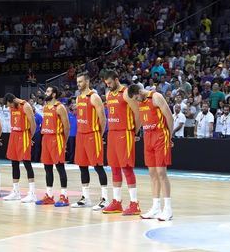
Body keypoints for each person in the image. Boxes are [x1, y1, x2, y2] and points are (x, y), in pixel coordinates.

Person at [127, 85, 173, 221]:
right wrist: (135, 132)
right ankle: (156, 207)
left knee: (161, 173)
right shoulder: (140, 102)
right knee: (152, 173)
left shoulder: (156, 97)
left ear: (140, 92)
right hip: (148, 137)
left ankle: (168, 208)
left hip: (160, 135)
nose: (137, 101)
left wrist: (169, 137)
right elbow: (141, 119)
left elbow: (169, 117)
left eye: (136, 98)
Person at [101, 70, 141, 216]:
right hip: (112, 133)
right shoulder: (108, 94)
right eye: (106, 84)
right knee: (115, 168)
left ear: (117, 79)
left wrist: (133, 132)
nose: (109, 86)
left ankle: (134, 203)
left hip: (125, 133)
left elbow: (138, 113)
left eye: (110, 83)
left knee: (127, 168)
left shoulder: (126, 93)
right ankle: (117, 202)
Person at [71, 72, 109, 210]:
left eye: (80, 81)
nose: (78, 84)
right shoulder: (78, 98)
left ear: (87, 82)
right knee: (82, 166)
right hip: (80, 135)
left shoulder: (94, 97)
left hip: (92, 135)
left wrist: (99, 134)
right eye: (77, 82)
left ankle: (105, 199)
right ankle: (85, 198)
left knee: (98, 166)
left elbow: (103, 118)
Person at [35, 86, 70, 207]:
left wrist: (64, 142)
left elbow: (67, 126)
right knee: (47, 168)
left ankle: (64, 197)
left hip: (57, 138)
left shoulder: (60, 107)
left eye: (49, 91)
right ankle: (49, 196)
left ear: (54, 94)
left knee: (60, 168)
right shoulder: (45, 107)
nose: (46, 93)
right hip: (46, 138)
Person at [3, 93, 37, 203]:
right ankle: (16, 192)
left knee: (27, 163)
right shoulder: (11, 107)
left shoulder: (25, 106)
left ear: (13, 100)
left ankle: (32, 193)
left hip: (23, 135)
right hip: (14, 134)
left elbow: (33, 124)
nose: (9, 107)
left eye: (10, 105)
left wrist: (29, 137)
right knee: (14, 163)